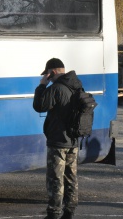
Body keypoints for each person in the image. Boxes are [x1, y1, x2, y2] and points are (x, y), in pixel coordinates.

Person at [33, 58, 83, 219]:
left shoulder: (55, 88)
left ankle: (54, 213)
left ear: (52, 73)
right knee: (71, 177)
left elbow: (39, 106)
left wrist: (42, 85)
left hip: (58, 141)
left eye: (47, 75)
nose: (47, 77)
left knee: (55, 178)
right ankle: (70, 211)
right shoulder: (77, 85)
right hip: (73, 140)